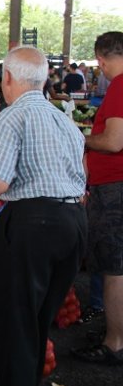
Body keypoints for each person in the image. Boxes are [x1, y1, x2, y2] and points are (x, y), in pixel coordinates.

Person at [0, 46, 87, 386]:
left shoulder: (13, 116)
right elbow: (83, 174)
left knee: (16, 323)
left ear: (9, 79)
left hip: (34, 224)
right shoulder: (63, 117)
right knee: (39, 319)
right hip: (73, 222)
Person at [73, 31, 123, 366]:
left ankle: (114, 344)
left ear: (101, 58)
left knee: (113, 268)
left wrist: (84, 137)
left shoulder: (119, 86)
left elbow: (114, 142)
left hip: (114, 188)